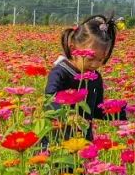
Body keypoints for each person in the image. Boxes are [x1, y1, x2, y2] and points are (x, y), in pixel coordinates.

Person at [44, 14, 127, 146]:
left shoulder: (95, 78)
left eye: (100, 60)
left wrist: (122, 111)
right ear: (73, 49)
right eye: (90, 58)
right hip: (57, 142)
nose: (95, 64)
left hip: (83, 140)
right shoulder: (61, 73)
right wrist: (68, 115)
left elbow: (97, 110)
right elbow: (49, 100)